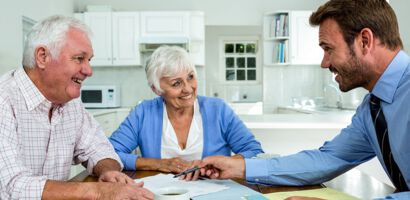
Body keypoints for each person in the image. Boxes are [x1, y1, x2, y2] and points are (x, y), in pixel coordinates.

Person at [199, 0, 410, 198]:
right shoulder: (372, 109)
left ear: (365, 41)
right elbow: (329, 159)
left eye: (328, 49)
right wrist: (239, 167)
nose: (324, 63)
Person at [0, 15, 153, 199]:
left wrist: (109, 172)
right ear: (42, 57)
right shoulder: (4, 101)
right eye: (79, 58)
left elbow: (99, 148)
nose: (89, 70)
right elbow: (12, 186)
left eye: (89, 60)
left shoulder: (70, 102)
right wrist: (97, 191)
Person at [109, 45, 263, 180]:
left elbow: (254, 152)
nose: (188, 89)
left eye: (190, 77)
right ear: (157, 90)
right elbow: (109, 154)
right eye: (176, 83)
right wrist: (160, 164)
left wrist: (220, 164)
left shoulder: (218, 110)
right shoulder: (143, 113)